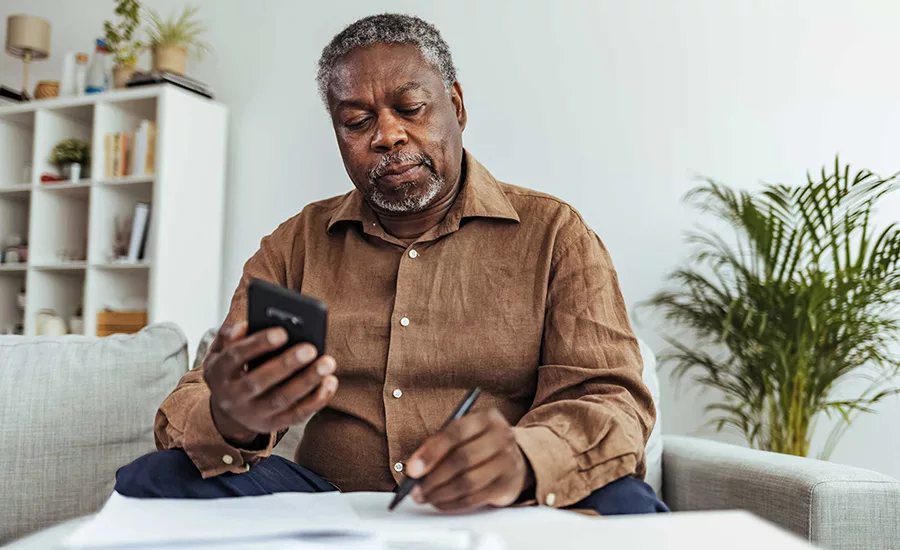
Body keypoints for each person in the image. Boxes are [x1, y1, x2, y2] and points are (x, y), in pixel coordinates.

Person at [116, 13, 668, 515]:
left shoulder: (555, 233)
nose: (387, 135)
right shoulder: (293, 246)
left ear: (457, 104)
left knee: (628, 504)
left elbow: (612, 400)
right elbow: (193, 400)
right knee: (156, 477)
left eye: (410, 108)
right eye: (357, 121)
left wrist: (526, 459)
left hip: (506, 504)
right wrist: (231, 417)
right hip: (329, 501)